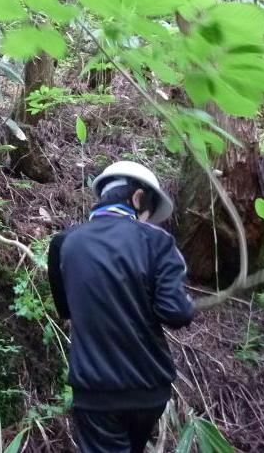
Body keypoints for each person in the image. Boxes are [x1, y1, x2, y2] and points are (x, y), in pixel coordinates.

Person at [47, 161, 195, 453]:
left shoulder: (64, 244)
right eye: (148, 213)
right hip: (149, 388)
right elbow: (175, 313)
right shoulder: (157, 241)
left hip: (95, 391)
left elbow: (66, 309)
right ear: (138, 198)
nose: (148, 220)